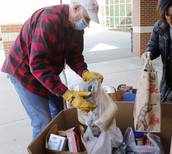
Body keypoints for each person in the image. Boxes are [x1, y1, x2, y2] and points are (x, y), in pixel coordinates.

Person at [1, 0, 103, 139]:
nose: (86, 23)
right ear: (76, 7)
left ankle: (59, 144)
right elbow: (37, 65)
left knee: (59, 111)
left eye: (88, 20)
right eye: (86, 18)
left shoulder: (76, 27)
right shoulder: (49, 20)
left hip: (47, 70)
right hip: (23, 72)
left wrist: (84, 72)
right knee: (42, 122)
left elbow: (75, 55)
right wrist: (68, 94)